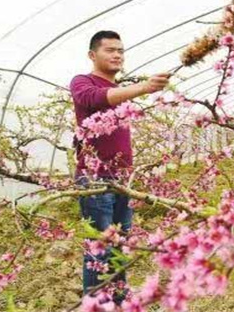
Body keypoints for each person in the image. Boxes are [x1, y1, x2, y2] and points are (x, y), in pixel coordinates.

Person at [69, 30, 170, 299]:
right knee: (100, 245)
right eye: (110, 50)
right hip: (95, 178)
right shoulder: (82, 81)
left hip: (123, 178)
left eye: (121, 51)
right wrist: (144, 87)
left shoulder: (120, 91)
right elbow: (93, 99)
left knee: (120, 243)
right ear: (93, 55)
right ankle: (98, 302)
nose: (117, 55)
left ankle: (119, 298)